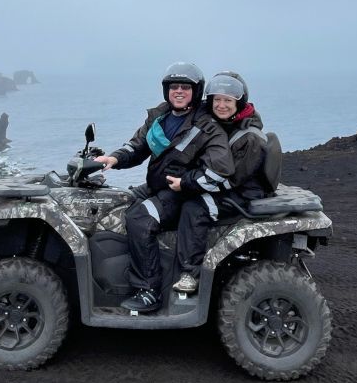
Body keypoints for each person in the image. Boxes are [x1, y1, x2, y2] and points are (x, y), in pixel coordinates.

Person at [96, 62, 234, 313]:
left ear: (196, 90)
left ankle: (149, 290)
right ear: (166, 91)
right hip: (156, 187)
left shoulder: (207, 126)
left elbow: (220, 170)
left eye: (185, 87)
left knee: (139, 219)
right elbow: (137, 146)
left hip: (180, 194)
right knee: (119, 201)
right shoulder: (160, 116)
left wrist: (186, 182)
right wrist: (114, 159)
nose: (178, 91)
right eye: (173, 87)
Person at [166, 71, 277, 294]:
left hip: (243, 192)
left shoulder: (250, 137)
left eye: (227, 100)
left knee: (194, 208)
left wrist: (188, 184)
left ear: (239, 102)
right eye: (217, 99)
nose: (221, 105)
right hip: (224, 184)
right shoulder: (222, 124)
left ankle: (190, 273)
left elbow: (229, 180)